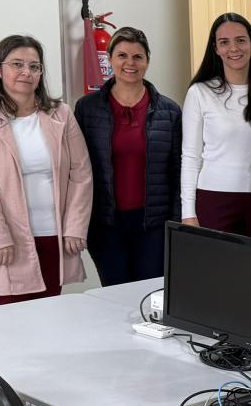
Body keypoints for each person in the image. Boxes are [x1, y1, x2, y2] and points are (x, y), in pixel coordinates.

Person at [0, 36, 92, 306]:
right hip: (9, 240)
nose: (26, 72)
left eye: (34, 66)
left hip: (54, 236)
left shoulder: (61, 114)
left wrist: (75, 227)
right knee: (11, 327)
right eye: (17, 64)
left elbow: (81, 174)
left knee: (50, 317)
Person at [73, 26, 182, 285]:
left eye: (137, 57)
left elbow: (179, 171)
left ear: (147, 61)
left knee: (150, 294)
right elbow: (76, 169)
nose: (129, 63)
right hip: (105, 224)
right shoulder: (87, 109)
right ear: (110, 59)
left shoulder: (169, 111)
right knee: (115, 295)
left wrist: (178, 223)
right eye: (122, 55)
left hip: (154, 225)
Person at [180, 12, 251, 237]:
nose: (233, 48)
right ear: (215, 49)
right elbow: (190, 156)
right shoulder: (199, 93)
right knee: (217, 272)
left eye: (240, 40)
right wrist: (188, 212)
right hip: (214, 199)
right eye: (224, 42)